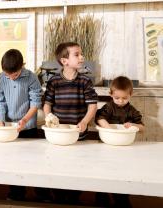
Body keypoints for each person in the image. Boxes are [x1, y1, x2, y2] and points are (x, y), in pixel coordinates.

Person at [43, 42, 98, 204]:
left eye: (81, 54)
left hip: (77, 133)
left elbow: (92, 104)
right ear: (64, 61)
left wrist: (85, 121)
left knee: (77, 167)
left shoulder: (85, 81)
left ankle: (74, 197)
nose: (82, 57)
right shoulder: (54, 81)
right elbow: (47, 104)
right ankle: (58, 196)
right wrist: (48, 118)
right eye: (77, 54)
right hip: (58, 134)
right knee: (57, 165)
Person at [0, 49, 49, 202]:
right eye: (7, 75)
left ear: (22, 66)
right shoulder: (0, 78)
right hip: (9, 128)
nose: (11, 78)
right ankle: (16, 194)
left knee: (34, 162)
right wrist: (0, 120)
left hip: (28, 126)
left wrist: (24, 120)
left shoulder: (31, 78)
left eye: (15, 75)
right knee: (13, 163)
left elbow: (36, 103)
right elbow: (0, 102)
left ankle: (42, 194)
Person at [95, 76, 144, 208]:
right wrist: (110, 128)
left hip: (124, 148)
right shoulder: (109, 107)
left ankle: (121, 197)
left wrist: (133, 125)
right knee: (104, 172)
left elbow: (142, 128)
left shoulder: (131, 110)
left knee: (122, 173)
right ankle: (101, 196)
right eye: (117, 98)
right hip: (106, 145)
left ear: (130, 95)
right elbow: (99, 118)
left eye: (125, 98)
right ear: (110, 94)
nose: (121, 101)